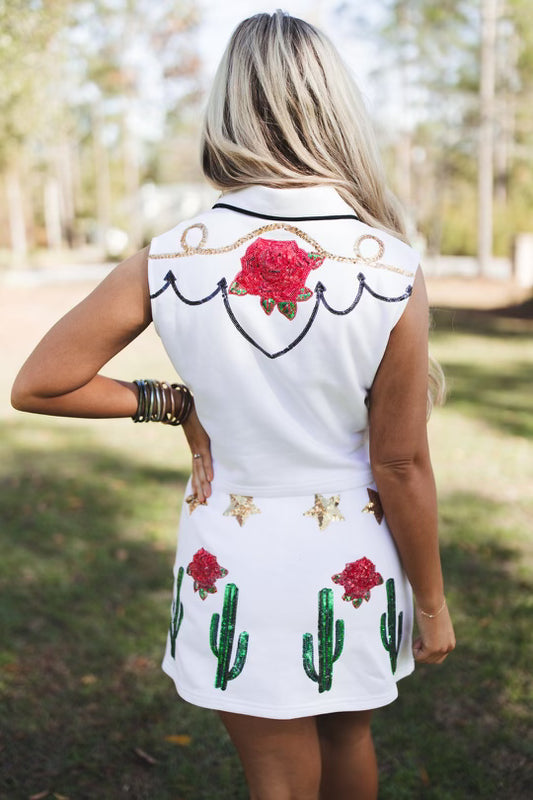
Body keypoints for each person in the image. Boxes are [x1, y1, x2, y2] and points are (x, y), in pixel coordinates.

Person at [11, 11, 455, 800]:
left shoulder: (171, 255)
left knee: (276, 777)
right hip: (351, 558)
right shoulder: (388, 264)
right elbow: (398, 462)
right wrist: (431, 602)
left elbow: (41, 382)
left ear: (226, 109)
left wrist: (169, 402)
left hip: (233, 552)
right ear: (333, 110)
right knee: (347, 737)